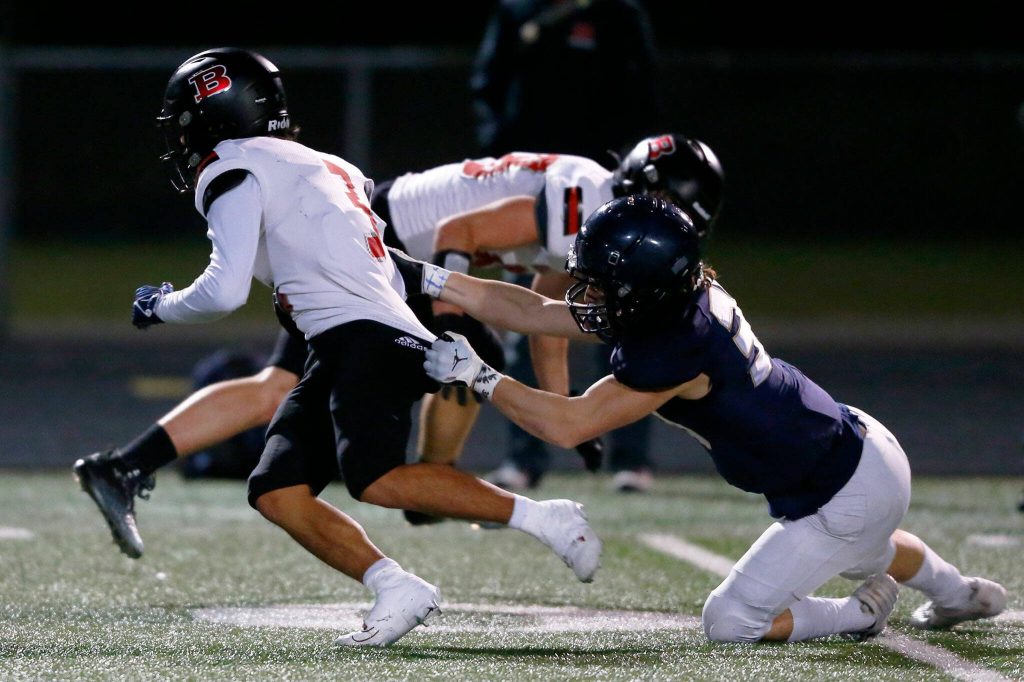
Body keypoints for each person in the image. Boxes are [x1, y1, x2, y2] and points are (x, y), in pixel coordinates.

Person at [73, 47, 603, 648]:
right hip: (351, 335)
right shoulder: (329, 165)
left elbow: (222, 290)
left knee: (375, 476)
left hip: (366, 335)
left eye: (184, 120)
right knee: (276, 490)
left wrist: (159, 305)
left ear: (213, 114)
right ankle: (394, 585)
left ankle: (545, 517)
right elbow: (358, 256)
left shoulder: (231, 167)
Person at [395, 194, 1008, 642]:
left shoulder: (673, 343)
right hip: (860, 453)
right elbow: (536, 310)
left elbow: (569, 425)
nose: (587, 294)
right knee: (862, 544)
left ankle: (861, 615)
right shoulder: (675, 297)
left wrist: (479, 375)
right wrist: (429, 275)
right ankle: (959, 594)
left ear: (644, 288)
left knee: (732, 622)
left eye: (603, 284)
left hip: (843, 489)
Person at [74, 132, 724, 549]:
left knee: (279, 386)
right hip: (390, 241)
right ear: (642, 189)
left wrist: (569, 418)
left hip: (393, 248)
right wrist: (448, 307)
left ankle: (126, 464)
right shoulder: (585, 197)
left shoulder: (597, 207)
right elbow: (464, 230)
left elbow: (553, 310)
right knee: (471, 355)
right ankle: (429, 486)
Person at [471, 0, 667, 489]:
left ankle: (628, 458)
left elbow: (645, 90)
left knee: (623, 322)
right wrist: (503, 153)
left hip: (604, 189)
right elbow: (488, 83)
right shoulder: (519, 11)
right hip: (534, 190)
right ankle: (525, 457)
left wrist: (627, 170)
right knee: (526, 319)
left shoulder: (619, 14)